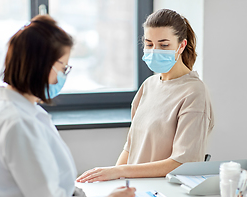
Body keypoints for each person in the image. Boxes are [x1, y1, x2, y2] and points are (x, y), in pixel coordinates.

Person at [0, 15, 135, 197]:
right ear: (41, 65)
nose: (63, 75)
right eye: (62, 67)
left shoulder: (8, 110)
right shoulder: (17, 124)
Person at [77, 9, 214, 183]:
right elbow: (130, 148)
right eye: (149, 44)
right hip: (134, 188)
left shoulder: (194, 92)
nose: (155, 50)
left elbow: (182, 163)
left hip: (164, 194)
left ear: (181, 45)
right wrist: (111, 179)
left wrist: (119, 172)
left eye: (164, 45)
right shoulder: (149, 85)